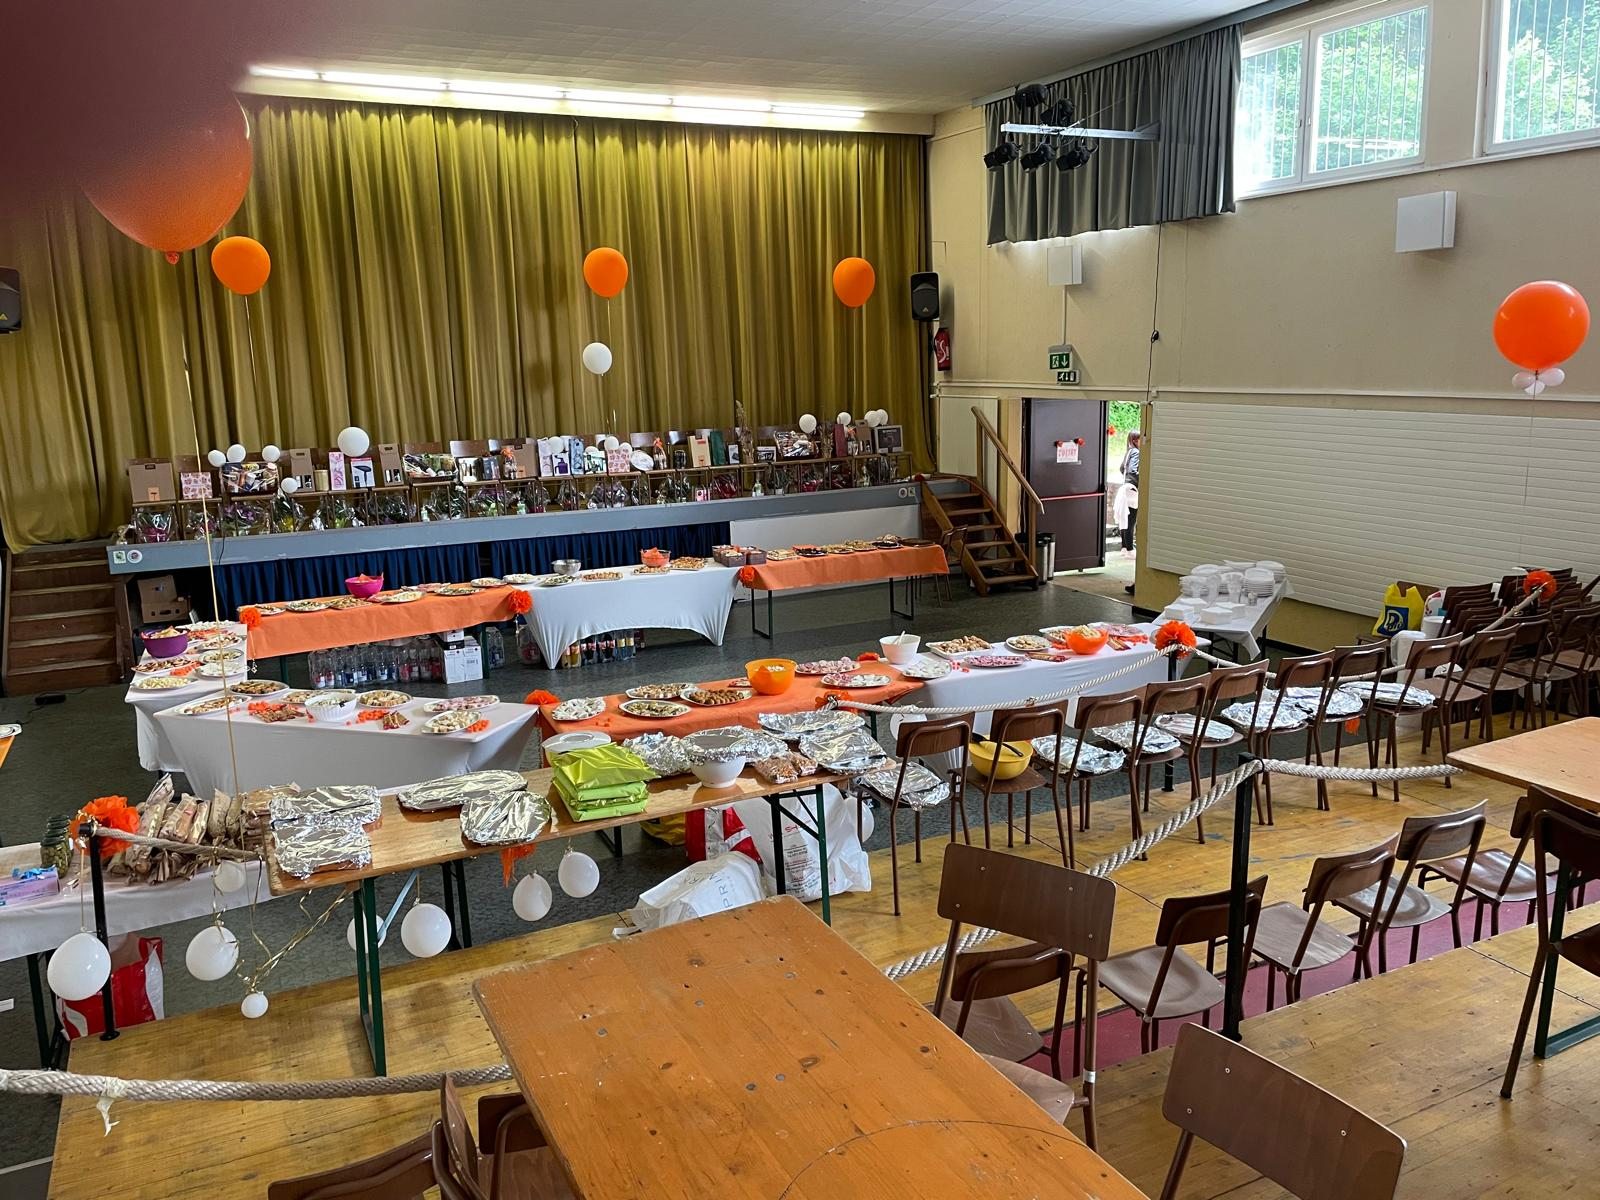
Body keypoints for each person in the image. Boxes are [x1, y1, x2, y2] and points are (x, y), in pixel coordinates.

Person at [1116, 432, 1140, 555]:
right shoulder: (1136, 452)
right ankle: (1130, 550)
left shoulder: (1129, 451)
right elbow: (1133, 471)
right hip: (1132, 489)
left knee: (1124, 519)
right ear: (1135, 440)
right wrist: (1141, 482)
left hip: (1125, 488)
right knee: (1131, 520)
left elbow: (1122, 469)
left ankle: (1124, 548)